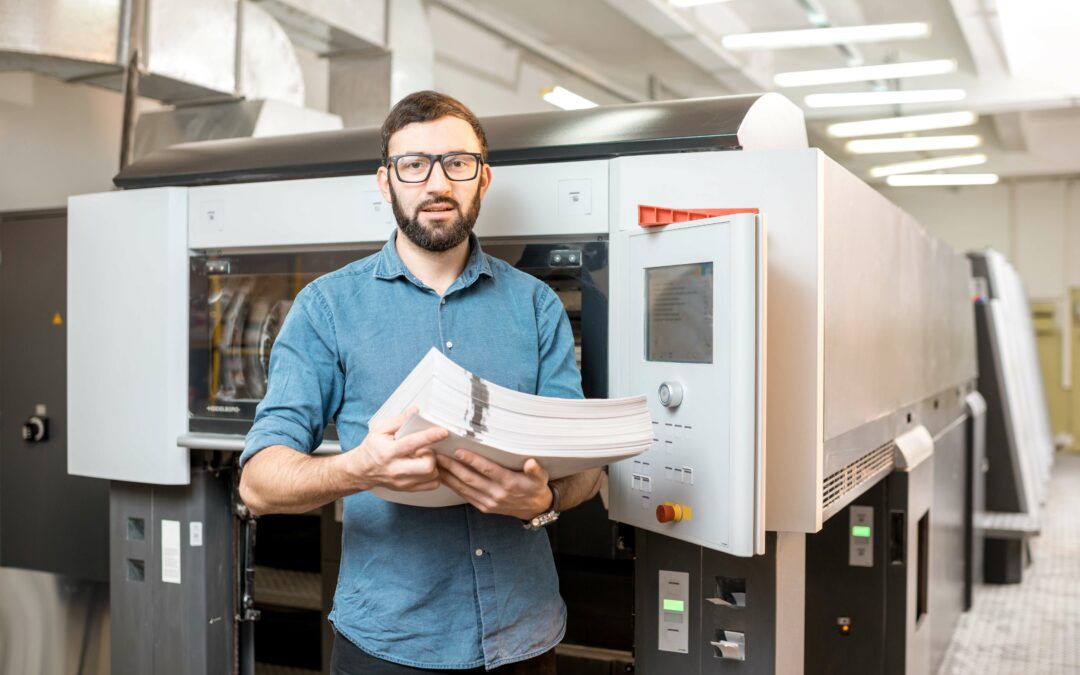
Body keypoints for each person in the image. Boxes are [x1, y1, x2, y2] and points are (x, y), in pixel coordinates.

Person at [238, 90, 602, 674]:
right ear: (386, 182)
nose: (437, 183)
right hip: (388, 642)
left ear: (483, 179)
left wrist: (547, 498)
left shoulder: (536, 306)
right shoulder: (327, 307)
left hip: (524, 636)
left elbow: (584, 465)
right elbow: (258, 483)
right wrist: (359, 468)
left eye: (458, 163)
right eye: (414, 165)